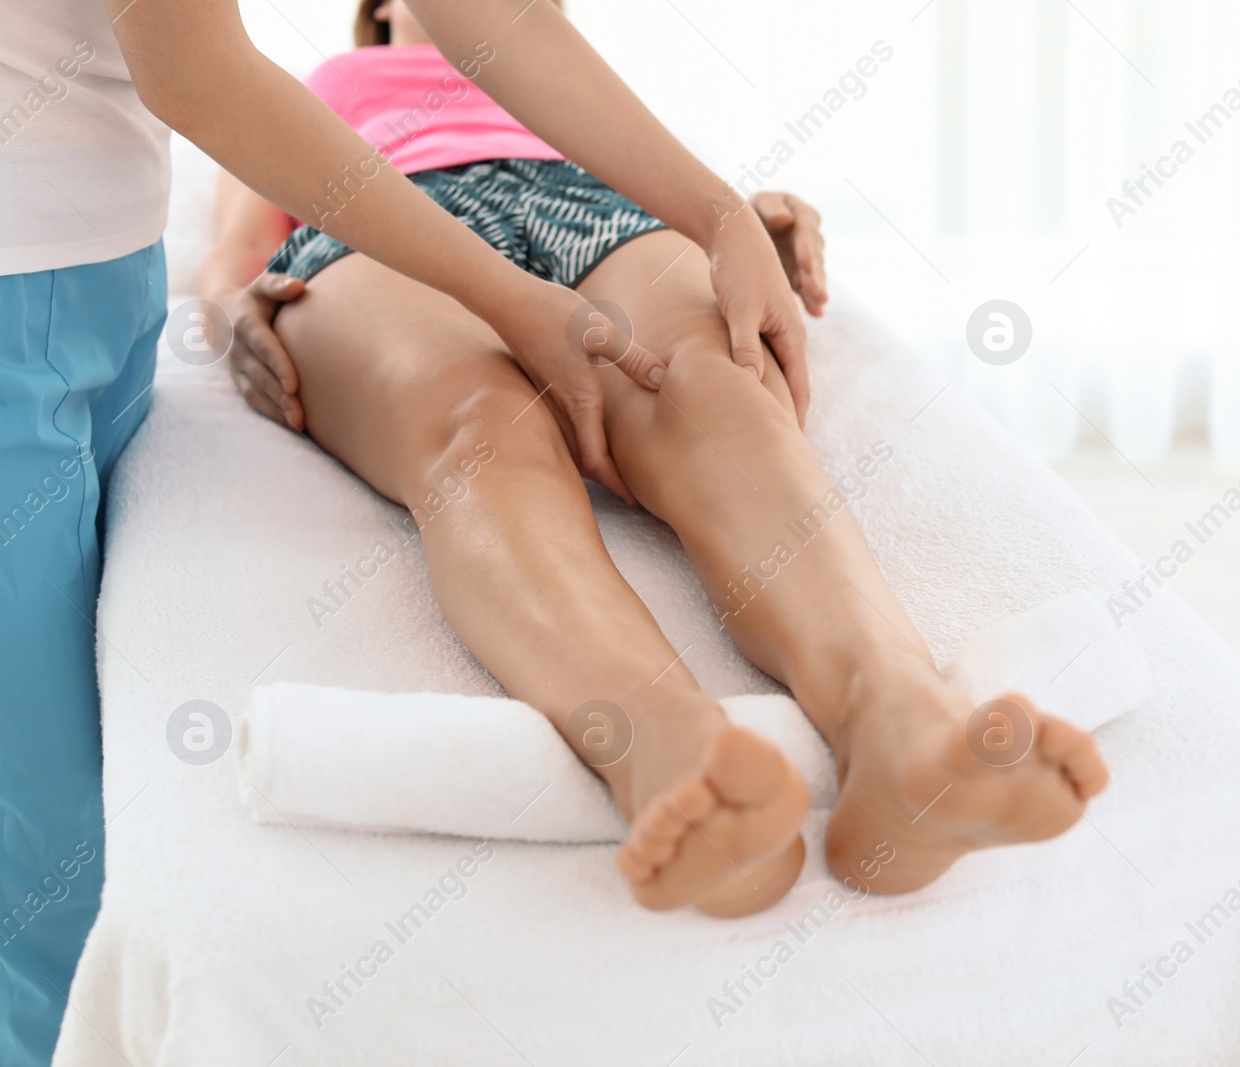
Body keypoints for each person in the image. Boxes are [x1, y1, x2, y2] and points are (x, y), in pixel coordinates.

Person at [2, 0, 808, 1060]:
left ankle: (890, 704)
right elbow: (201, 80)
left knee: (701, 391)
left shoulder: (532, 112)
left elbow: (504, 22)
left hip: (101, 280)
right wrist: (496, 296)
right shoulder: (343, 89)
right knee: (45, 838)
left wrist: (723, 215)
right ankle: (661, 737)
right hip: (33, 284)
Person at [203, 0, 1110, 925]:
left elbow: (637, 158)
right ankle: (668, 748)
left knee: (710, 388)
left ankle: (900, 724)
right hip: (379, 222)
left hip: (583, 201)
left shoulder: (547, 75)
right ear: (381, 11)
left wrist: (742, 216)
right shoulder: (323, 86)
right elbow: (233, 250)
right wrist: (227, 304)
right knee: (480, 431)